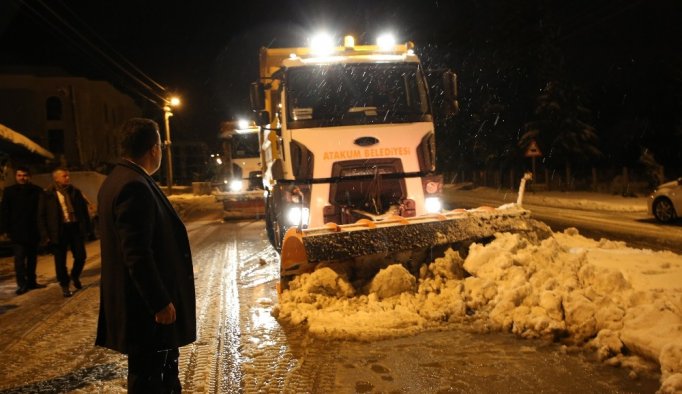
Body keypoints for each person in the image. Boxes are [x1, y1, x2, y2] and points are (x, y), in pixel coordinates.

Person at [95, 117, 196, 393]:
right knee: (152, 380)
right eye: (161, 146)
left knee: (153, 376)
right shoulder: (133, 186)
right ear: (154, 149)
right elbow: (136, 253)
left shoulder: (117, 180)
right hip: (147, 314)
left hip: (142, 311)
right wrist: (160, 302)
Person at [38, 167, 91, 297]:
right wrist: (45, 234)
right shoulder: (48, 194)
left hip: (74, 227)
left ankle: (75, 276)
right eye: (64, 176)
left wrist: (86, 228)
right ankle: (64, 285)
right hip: (58, 230)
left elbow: (83, 211)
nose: (67, 178)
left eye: (68, 176)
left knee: (81, 256)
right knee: (60, 260)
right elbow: (41, 215)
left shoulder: (75, 191)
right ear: (56, 178)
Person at [0, 166, 47, 295]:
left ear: (29, 176)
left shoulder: (37, 190)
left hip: (33, 230)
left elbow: (42, 211)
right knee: (19, 260)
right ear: (16, 177)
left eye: (24, 175)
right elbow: (4, 211)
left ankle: (32, 282)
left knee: (32, 259)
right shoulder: (9, 191)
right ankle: (22, 284)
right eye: (19, 175)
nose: (22, 178)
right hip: (17, 231)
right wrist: (4, 229)